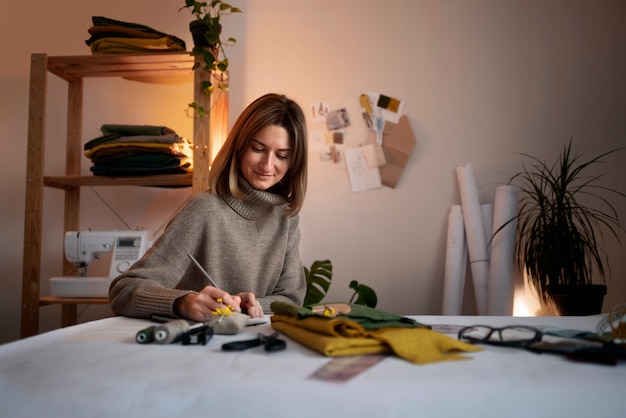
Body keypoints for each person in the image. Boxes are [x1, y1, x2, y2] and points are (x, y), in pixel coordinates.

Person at [109, 93, 308, 320]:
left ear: (293, 163)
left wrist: (248, 306)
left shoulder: (286, 217)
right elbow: (123, 289)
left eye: (281, 155)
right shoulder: (204, 209)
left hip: (256, 348)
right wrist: (184, 303)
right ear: (239, 147)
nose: (268, 164)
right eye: (258, 149)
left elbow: (291, 299)